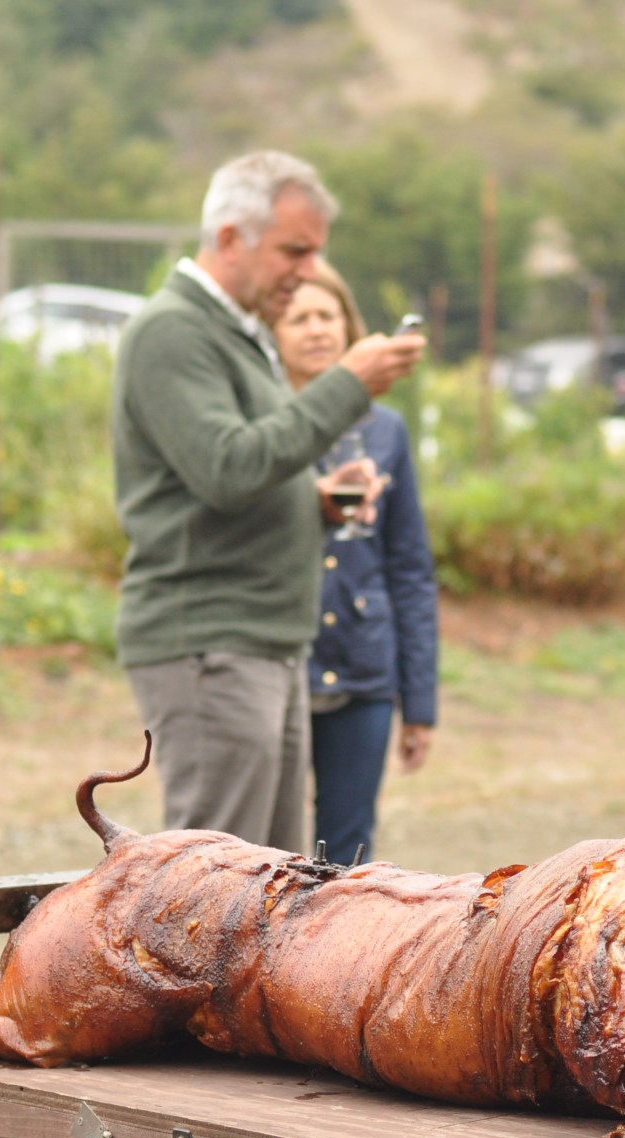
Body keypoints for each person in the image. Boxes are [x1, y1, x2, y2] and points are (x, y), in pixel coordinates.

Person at [112, 149, 425, 857]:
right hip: (211, 644)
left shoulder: (233, 333)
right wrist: (347, 384)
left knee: (266, 889)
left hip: (259, 646)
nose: (308, 270)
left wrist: (311, 504)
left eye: (315, 252)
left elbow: (234, 472)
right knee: (212, 888)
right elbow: (226, 466)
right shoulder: (173, 331)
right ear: (229, 238)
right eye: (294, 250)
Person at [267, 263, 438, 865]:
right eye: (299, 318)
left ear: (350, 327)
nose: (316, 330)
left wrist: (419, 701)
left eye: (328, 316)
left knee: (348, 852)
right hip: (279, 658)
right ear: (272, 332)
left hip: (364, 666)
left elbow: (409, 565)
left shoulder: (385, 428)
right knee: (266, 849)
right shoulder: (261, 425)